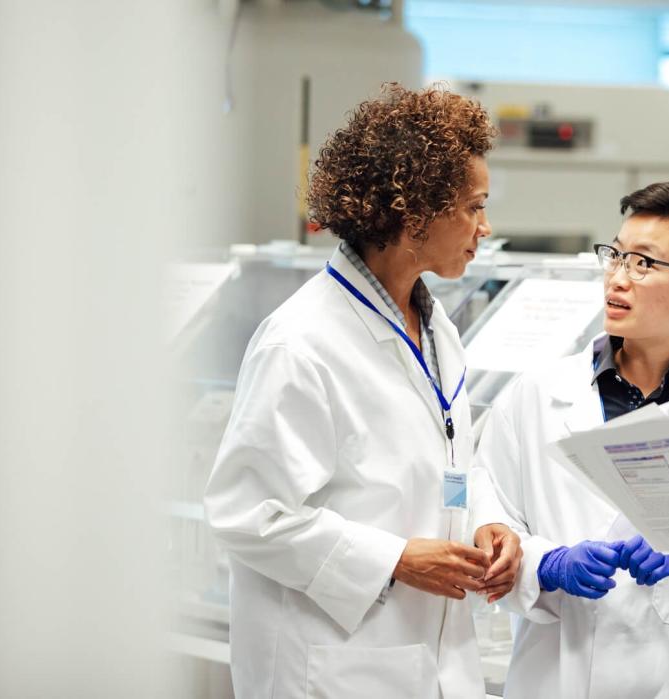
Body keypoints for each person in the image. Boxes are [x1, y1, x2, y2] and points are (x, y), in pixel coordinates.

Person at [204, 84, 521, 699]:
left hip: (427, 653)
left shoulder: (436, 328)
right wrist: (395, 559)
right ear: (414, 212)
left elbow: (451, 462)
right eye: (474, 206)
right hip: (330, 662)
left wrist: (488, 523)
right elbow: (247, 515)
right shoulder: (301, 342)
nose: (486, 226)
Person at [469, 181, 669, 698]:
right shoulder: (533, 397)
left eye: (644, 263)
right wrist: (545, 565)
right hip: (556, 679)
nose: (618, 278)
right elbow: (485, 529)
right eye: (615, 255)